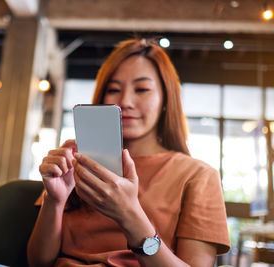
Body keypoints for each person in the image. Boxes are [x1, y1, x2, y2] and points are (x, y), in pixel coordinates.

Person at [27, 39, 230, 267]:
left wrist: (129, 214)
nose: (125, 101)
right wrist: (54, 200)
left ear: (165, 100)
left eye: (142, 89)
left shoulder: (198, 176)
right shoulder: (77, 163)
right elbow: (38, 262)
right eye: (114, 89)